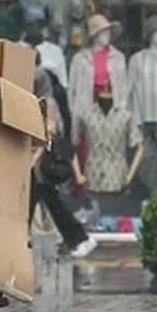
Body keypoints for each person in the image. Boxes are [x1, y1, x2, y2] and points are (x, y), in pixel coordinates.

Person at [31, 68, 96, 259]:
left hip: (42, 163)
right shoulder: (39, 101)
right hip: (37, 165)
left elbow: (49, 134)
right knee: (45, 201)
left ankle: (79, 238)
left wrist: (34, 160)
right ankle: (76, 239)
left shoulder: (48, 103)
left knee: (52, 202)